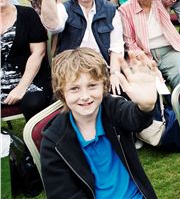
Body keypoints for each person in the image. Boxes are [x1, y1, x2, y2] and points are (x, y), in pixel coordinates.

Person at [40, 48, 158, 199]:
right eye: (75, 88)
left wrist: (146, 106)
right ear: (62, 92)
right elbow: (63, 194)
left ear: (104, 85)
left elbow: (136, 118)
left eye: (92, 86)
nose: (85, 96)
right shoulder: (53, 142)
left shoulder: (113, 109)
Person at [39, 0, 124, 95]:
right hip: (72, 70)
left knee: (121, 95)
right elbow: (53, 26)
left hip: (101, 69)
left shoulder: (110, 10)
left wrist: (114, 73)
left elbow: (116, 47)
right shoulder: (65, 8)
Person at [0, 0, 51, 120]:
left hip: (30, 80)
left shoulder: (27, 15)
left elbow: (38, 53)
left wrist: (21, 88)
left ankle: (33, 141)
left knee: (32, 103)